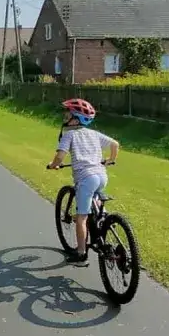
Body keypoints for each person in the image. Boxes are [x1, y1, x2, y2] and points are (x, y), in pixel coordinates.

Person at [48, 98, 119, 265]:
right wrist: (109, 160)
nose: (65, 116)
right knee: (94, 201)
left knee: (81, 218)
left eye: (68, 114)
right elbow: (115, 144)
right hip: (102, 176)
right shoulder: (94, 134)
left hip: (86, 178)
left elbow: (59, 157)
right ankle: (104, 222)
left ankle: (81, 255)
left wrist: (53, 165)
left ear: (76, 118)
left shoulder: (69, 135)